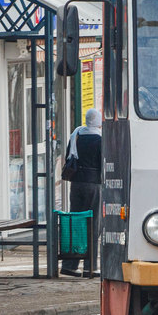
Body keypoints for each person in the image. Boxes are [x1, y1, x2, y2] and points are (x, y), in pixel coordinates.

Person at [62, 108, 102, 277]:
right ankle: (90, 266)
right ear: (98, 121)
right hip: (93, 184)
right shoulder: (99, 140)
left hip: (76, 184)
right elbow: (103, 163)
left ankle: (70, 265)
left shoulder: (76, 136)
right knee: (93, 225)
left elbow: (67, 158)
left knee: (76, 223)